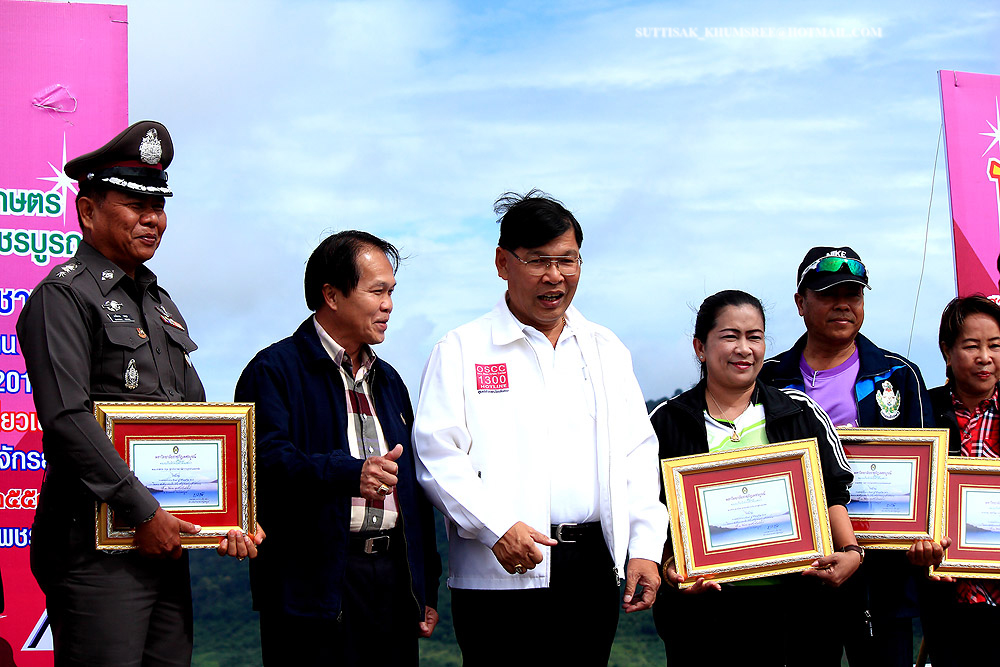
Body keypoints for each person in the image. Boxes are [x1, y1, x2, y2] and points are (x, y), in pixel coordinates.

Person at [17, 120, 262, 666]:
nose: (152, 218)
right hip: (95, 550)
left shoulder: (160, 302)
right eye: (134, 203)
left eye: (159, 205)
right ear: (88, 211)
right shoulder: (63, 297)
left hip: (164, 542)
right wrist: (144, 511)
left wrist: (232, 511)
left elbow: (195, 418)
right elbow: (67, 418)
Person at [411, 190, 669, 665]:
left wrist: (645, 549)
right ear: (502, 263)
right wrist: (496, 528)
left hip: (592, 568)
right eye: (537, 261)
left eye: (567, 260)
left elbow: (637, 455)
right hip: (498, 570)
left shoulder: (605, 348)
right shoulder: (462, 349)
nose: (555, 276)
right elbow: (436, 458)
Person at [235, 231, 441, 665]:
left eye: (391, 292)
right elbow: (262, 461)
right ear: (331, 295)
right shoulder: (273, 370)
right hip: (312, 584)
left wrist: (425, 587)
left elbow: (415, 492)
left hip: (392, 580)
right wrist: (349, 473)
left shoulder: (389, 380)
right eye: (377, 291)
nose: (388, 305)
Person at [650, 289, 861, 666]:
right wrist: (670, 569)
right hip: (704, 616)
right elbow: (649, 511)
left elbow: (833, 493)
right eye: (730, 336)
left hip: (795, 610)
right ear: (700, 347)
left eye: (755, 337)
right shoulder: (666, 422)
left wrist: (851, 552)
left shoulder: (800, 413)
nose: (744, 349)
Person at [759, 246, 933, 666]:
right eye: (828, 294)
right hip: (799, 574)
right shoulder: (769, 378)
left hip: (883, 579)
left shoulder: (899, 375)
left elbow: (929, 479)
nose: (843, 304)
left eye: (853, 294)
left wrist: (928, 535)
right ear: (801, 302)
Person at [908, 295, 1000, 667]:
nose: (985, 357)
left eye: (995, 346)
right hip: (946, 594)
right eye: (971, 346)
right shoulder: (921, 412)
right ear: (947, 351)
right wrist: (913, 540)